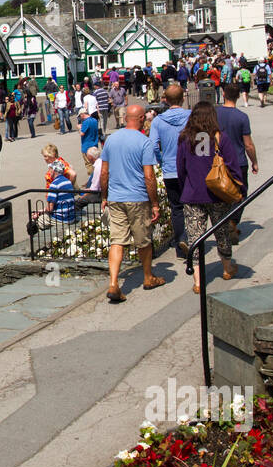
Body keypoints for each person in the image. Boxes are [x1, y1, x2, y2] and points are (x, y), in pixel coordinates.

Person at [99, 104, 165, 303]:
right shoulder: (144, 142)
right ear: (142, 118)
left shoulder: (111, 140)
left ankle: (113, 283)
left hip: (116, 198)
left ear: (125, 118)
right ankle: (148, 277)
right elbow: (149, 176)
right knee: (143, 240)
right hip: (137, 197)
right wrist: (155, 203)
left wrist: (104, 196)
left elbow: (104, 172)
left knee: (117, 240)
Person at [176, 102, 242, 293]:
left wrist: (184, 188)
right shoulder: (220, 138)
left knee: (195, 237)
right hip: (217, 194)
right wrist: (239, 188)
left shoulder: (185, 139)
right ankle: (227, 267)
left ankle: (197, 279)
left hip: (192, 193)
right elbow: (232, 165)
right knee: (222, 232)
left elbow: (180, 168)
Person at [149, 84, 191, 259]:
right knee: (193, 206)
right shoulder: (191, 116)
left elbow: (152, 144)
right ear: (183, 98)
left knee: (177, 208)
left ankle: (181, 242)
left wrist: (161, 159)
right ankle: (193, 239)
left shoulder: (158, 121)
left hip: (170, 169)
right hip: (189, 168)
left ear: (165, 100)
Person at [217, 84, 258, 238]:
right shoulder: (242, 117)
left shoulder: (215, 113)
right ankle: (232, 222)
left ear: (223, 93)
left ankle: (224, 223)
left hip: (219, 160)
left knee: (222, 193)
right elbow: (248, 144)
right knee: (240, 194)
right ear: (239, 95)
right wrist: (254, 161)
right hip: (238, 161)